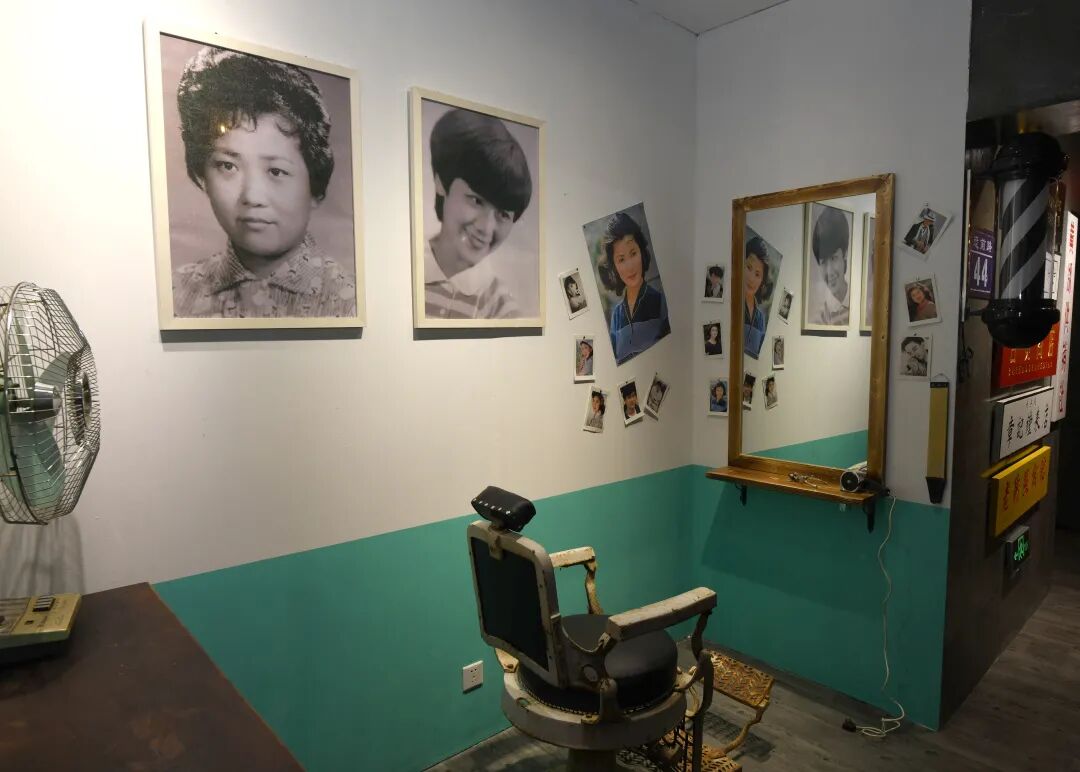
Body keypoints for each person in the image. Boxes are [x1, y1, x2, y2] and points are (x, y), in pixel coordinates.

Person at [172, 47, 356, 318]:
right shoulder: (177, 293)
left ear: (314, 186)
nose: (253, 196)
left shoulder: (349, 299)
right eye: (228, 166)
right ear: (202, 176)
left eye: (276, 171)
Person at [424, 107, 533, 319]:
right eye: (476, 201)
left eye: (503, 214)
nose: (486, 227)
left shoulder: (501, 309)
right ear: (441, 183)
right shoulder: (400, 266)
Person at [597, 212, 671, 364]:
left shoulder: (661, 302)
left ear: (641, 252)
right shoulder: (616, 316)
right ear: (614, 267)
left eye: (633, 253)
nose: (630, 266)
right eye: (621, 259)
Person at [808, 207, 850, 326]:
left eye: (833, 258)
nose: (829, 271)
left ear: (845, 254)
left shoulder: (865, 307)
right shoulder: (818, 321)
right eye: (823, 262)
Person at [743, 237, 770, 358]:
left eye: (757, 274)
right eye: (749, 267)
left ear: (762, 282)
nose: (751, 278)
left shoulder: (760, 318)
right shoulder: (730, 304)